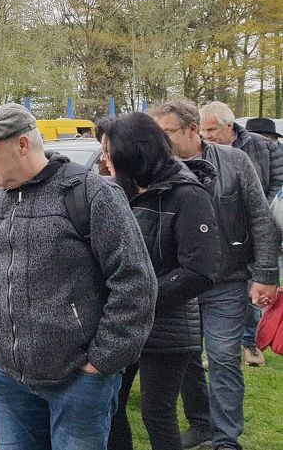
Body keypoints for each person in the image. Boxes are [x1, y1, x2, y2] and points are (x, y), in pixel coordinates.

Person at [0, 103, 157, 450]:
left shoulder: (93, 195)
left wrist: (101, 361)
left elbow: (135, 284)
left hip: (79, 381)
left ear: (22, 145)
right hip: (5, 375)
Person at [151, 100, 280, 450]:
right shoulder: (158, 169)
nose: (159, 142)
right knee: (188, 358)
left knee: (222, 357)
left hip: (227, 278)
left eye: (166, 134)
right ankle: (202, 424)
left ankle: (226, 440)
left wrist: (266, 272)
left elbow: (260, 218)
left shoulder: (235, 161)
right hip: (179, 283)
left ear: (193, 129)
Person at [100, 114, 220, 450]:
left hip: (168, 327)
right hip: (122, 323)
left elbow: (200, 271)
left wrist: (139, 298)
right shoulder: (116, 191)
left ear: (132, 154)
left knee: (157, 414)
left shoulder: (188, 196)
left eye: (109, 152)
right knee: (111, 408)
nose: (103, 159)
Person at [200, 103, 283, 368]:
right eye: (204, 130)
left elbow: (279, 184)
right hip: (223, 234)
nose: (208, 135)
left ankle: (250, 342)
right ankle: (222, 347)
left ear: (229, 125)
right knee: (231, 294)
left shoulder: (264, 146)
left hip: (259, 229)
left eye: (212, 129)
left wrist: (260, 210)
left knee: (255, 292)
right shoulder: (205, 153)